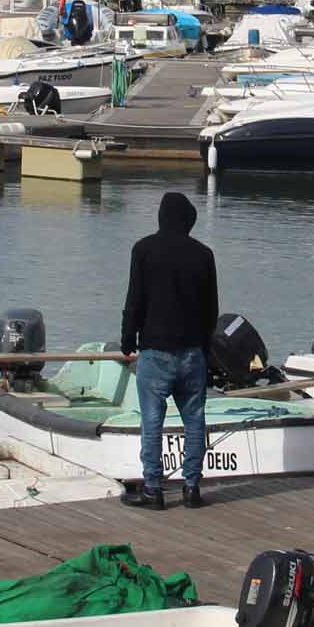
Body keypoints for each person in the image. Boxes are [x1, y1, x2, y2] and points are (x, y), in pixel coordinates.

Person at [118, 191, 217, 510]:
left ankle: (153, 489)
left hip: (155, 352)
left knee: (151, 422)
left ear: (161, 216)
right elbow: (211, 311)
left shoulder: (143, 250)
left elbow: (135, 300)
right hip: (192, 353)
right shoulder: (204, 255)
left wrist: (127, 339)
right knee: (194, 420)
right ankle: (191, 488)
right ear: (188, 220)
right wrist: (205, 349)